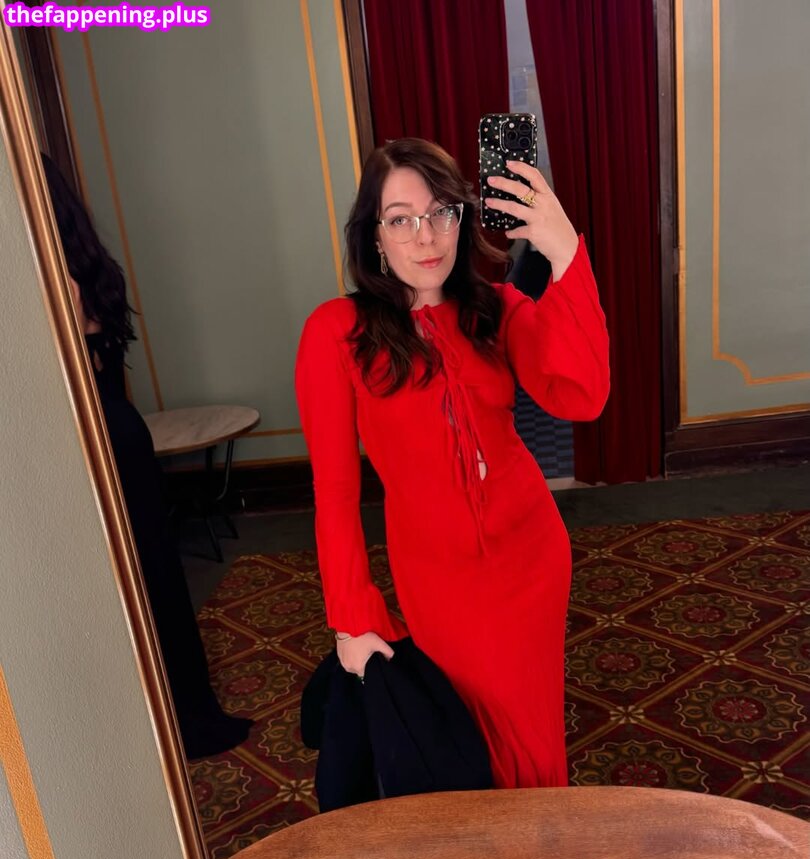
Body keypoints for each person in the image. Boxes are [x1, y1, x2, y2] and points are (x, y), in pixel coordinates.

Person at [295, 138, 609, 788]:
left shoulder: (497, 307)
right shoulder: (337, 332)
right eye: (401, 219)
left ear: (462, 219)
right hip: (438, 578)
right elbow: (335, 489)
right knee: (462, 741)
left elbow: (581, 395)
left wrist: (564, 254)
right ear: (374, 235)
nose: (426, 236)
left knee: (533, 731)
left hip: (532, 556)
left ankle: (542, 841)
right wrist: (351, 616)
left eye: (442, 212)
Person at [42, 155, 251, 760]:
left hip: (96, 438)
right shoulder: (87, 265)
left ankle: (167, 722)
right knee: (152, 576)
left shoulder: (56, 279)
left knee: (133, 583)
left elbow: (71, 374)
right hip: (120, 433)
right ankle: (179, 713)